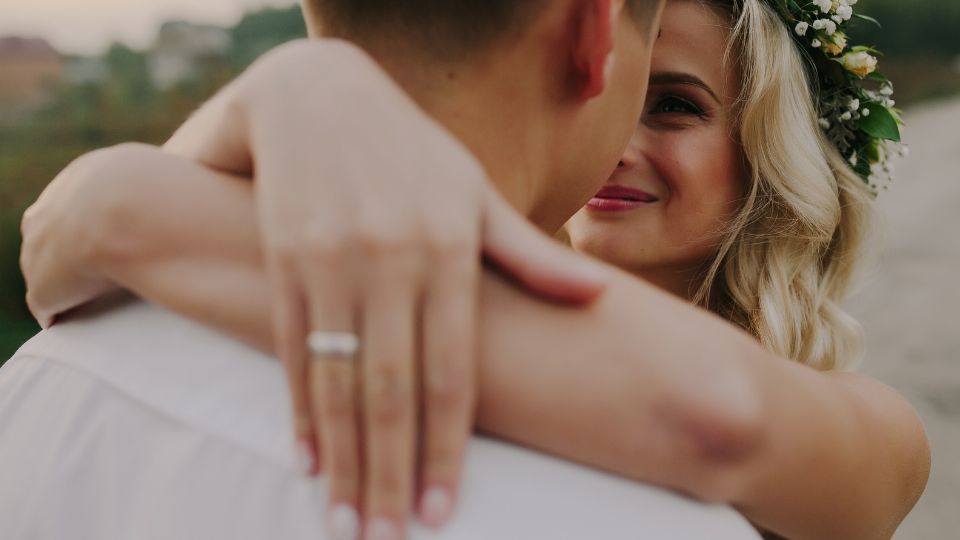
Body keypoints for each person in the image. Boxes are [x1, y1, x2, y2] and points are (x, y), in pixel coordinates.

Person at [11, 0, 931, 539]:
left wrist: (119, 200)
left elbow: (718, 416)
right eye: (638, 91)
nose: (625, 147)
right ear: (595, 37)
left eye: (679, 107)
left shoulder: (867, 429)